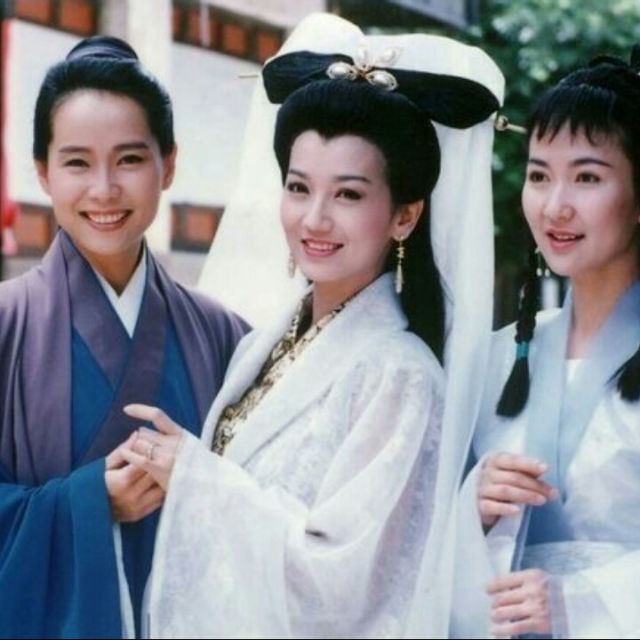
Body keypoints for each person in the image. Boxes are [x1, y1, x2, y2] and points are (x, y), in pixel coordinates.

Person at [118, 13, 504, 639]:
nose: (315, 219)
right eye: (299, 188)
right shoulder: (263, 343)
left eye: (348, 194)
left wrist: (192, 475)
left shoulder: (401, 376)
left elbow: (341, 586)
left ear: (404, 216)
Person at [0, 36, 248, 638]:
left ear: (169, 165)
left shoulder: (223, 334)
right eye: (77, 163)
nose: (105, 189)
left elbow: (265, 504)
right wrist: (90, 504)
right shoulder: (6, 324)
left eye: (130, 159)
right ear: (42, 171)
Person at [452, 49, 640, 639]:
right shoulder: (499, 357)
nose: (555, 206)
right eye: (539, 176)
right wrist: (473, 510)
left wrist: (578, 603)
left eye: (587, 177)